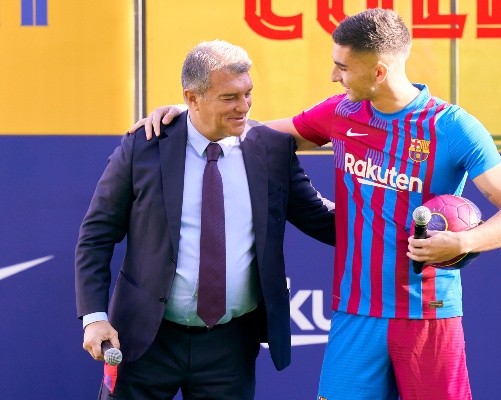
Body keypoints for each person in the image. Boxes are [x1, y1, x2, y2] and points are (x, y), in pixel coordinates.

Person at [131, 8, 501, 400]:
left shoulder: (452, 127)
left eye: (343, 67)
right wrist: (190, 114)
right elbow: (255, 137)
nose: (333, 75)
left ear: (378, 72)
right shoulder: (340, 112)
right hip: (355, 313)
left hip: (428, 313)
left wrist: (464, 243)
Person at [75, 40, 335, 400]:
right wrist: (94, 317)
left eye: (248, 93)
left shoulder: (272, 150)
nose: (243, 106)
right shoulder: (145, 145)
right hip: (144, 338)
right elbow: (97, 234)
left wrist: (399, 225)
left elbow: (324, 220)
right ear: (192, 98)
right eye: (229, 97)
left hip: (230, 346)